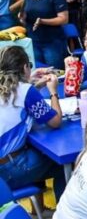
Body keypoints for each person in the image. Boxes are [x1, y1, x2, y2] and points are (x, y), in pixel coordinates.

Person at [0, 46, 63, 209]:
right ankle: (65, 217)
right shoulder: (26, 91)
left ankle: (38, 209)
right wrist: (53, 92)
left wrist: (32, 84)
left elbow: (16, 100)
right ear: (24, 67)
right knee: (62, 165)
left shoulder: (10, 87)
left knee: (38, 154)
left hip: (3, 167)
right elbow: (55, 121)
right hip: (9, 169)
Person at [22, 0, 69, 68]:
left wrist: (43, 21)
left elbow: (64, 19)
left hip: (52, 42)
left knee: (54, 73)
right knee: (38, 74)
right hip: (33, 41)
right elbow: (26, 20)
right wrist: (22, 18)